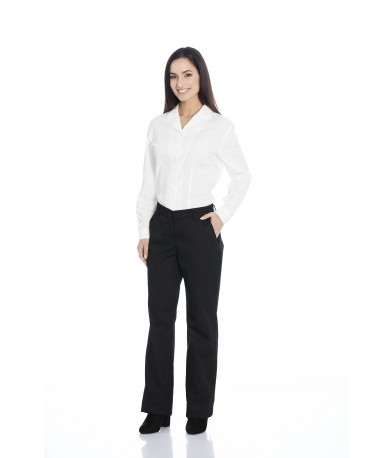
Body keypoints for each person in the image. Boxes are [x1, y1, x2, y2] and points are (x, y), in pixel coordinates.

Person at [136, 47, 252, 435]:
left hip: (200, 228)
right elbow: (148, 181)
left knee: (201, 321)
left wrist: (222, 216)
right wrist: (144, 230)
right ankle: (157, 409)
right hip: (162, 227)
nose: (180, 83)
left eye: (187, 74)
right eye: (173, 76)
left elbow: (243, 175)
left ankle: (198, 410)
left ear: (200, 76)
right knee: (160, 320)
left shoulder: (219, 126)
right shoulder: (159, 125)